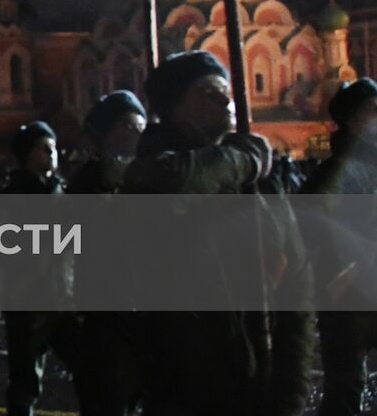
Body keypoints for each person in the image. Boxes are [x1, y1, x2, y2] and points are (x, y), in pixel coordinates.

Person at [123, 50, 315, 416]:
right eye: (207, 92)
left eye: (225, 91)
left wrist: (291, 393)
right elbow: (178, 183)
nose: (225, 100)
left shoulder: (260, 185)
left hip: (261, 386)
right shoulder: (151, 171)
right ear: (175, 106)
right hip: (182, 390)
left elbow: (297, 287)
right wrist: (243, 158)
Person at [68, 90, 148, 416]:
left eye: (141, 127)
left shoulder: (147, 177)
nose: (137, 135)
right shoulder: (90, 182)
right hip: (108, 318)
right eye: (127, 127)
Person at [301, 78, 377, 416]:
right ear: (352, 120)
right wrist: (348, 262)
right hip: (349, 291)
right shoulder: (341, 167)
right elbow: (311, 216)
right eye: (373, 111)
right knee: (346, 384)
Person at [0, 121, 77, 416]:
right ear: (27, 154)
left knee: (91, 367)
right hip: (28, 300)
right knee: (24, 383)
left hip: (65, 297)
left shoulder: (63, 193)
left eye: (53, 147)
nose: (52, 153)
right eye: (43, 148)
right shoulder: (12, 197)